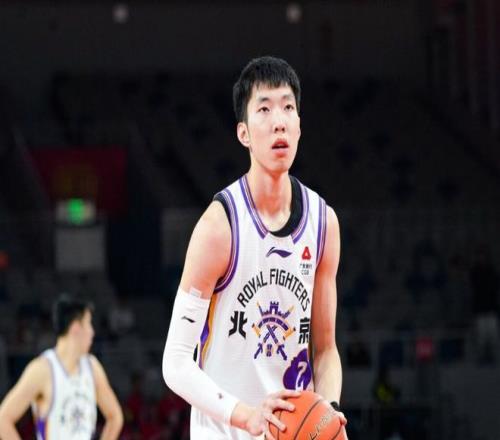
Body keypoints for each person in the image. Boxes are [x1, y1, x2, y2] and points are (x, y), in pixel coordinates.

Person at [162, 56, 347, 439]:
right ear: (243, 133)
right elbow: (175, 363)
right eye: (264, 109)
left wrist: (328, 412)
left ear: (299, 126)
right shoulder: (219, 227)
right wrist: (247, 417)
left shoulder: (323, 224)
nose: (279, 121)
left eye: (288, 108)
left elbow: (326, 350)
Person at [0, 294, 123, 439]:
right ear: (76, 328)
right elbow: (3, 419)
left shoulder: (93, 367)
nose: (92, 332)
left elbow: (115, 416)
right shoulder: (42, 370)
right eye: (89, 324)